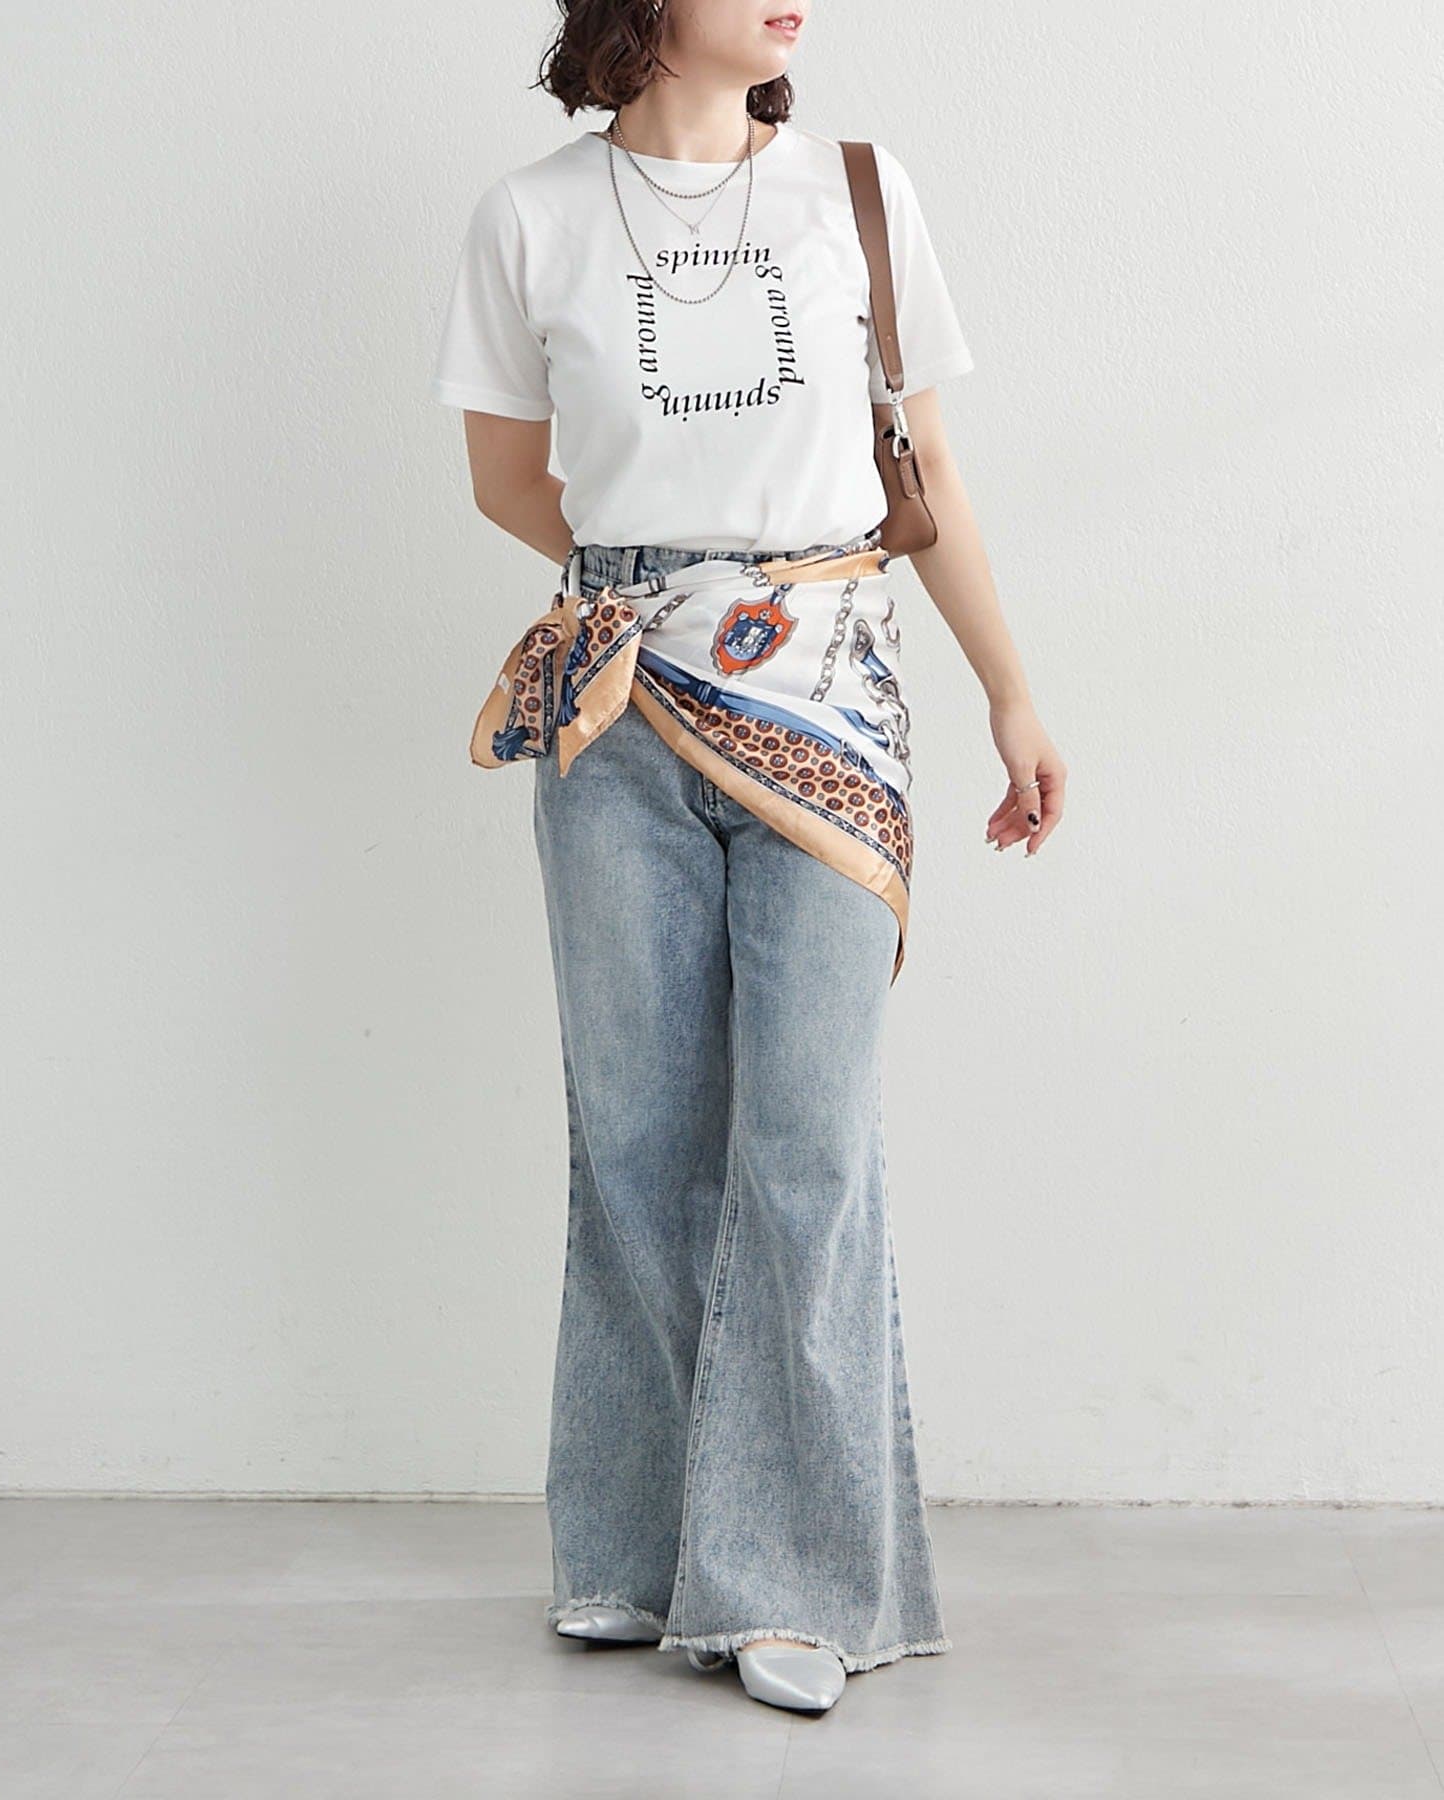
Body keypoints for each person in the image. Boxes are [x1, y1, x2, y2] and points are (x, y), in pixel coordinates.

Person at [430, 0, 1066, 1717]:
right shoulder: (530, 217)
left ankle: (792, 1578)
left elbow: (931, 467)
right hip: (617, 713)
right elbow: (505, 479)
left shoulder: (858, 191)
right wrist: (671, 585)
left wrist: (1012, 694)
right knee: (636, 1138)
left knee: (808, 1147)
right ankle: (637, 1553)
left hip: (833, 707)